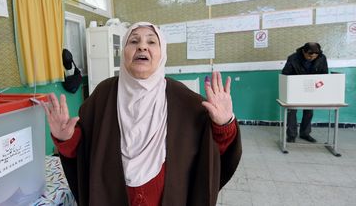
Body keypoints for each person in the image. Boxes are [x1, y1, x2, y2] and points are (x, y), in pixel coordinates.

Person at [43, 22, 242, 206]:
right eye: (134, 41)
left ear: (162, 53)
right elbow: (84, 150)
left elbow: (212, 155)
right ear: (124, 52)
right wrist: (65, 138)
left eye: (151, 41)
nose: (142, 47)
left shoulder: (186, 100)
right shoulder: (102, 95)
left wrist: (224, 125)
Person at [282, 42, 329, 143]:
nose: (311, 57)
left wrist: (319, 87)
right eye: (309, 55)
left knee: (309, 111)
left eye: (315, 55)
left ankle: (305, 133)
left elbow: (324, 74)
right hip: (295, 88)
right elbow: (285, 73)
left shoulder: (322, 58)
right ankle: (291, 135)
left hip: (312, 88)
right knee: (291, 111)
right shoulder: (293, 58)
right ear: (303, 51)